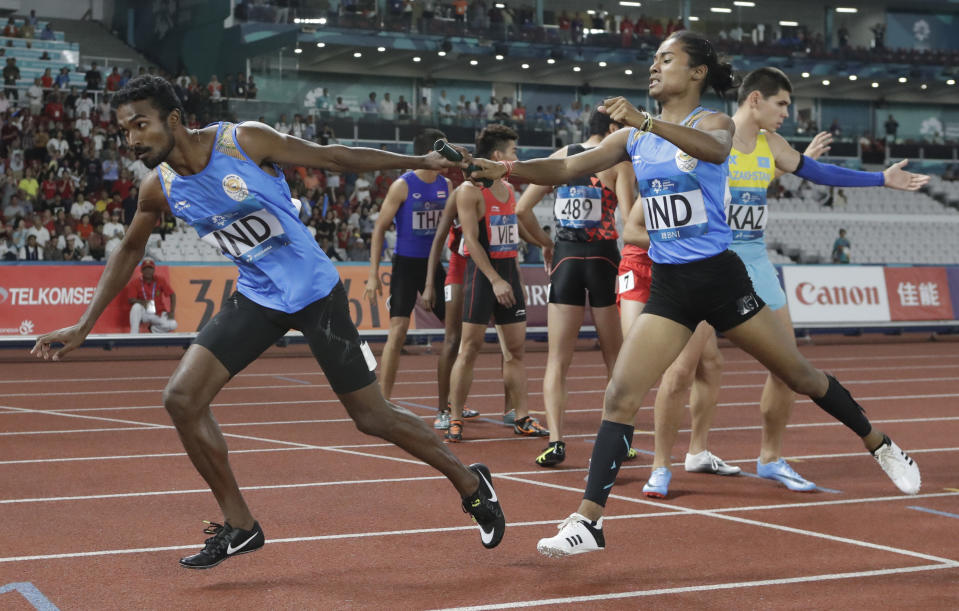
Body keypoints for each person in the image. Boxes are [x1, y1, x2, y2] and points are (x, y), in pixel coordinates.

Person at [467, 30, 921, 557]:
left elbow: (716, 148)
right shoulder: (634, 138)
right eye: (653, 60)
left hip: (722, 281)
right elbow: (568, 166)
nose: (654, 68)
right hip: (672, 288)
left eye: (667, 59)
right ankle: (588, 522)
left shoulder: (711, 122)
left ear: (698, 72)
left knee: (799, 375)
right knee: (620, 394)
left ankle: (879, 444)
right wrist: (503, 169)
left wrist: (643, 120)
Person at [31, 75, 505, 569]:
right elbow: (130, 247)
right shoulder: (160, 188)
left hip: (315, 292)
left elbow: (335, 156)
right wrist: (83, 326)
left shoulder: (243, 141)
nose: (131, 139)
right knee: (182, 398)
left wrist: (420, 162)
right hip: (259, 296)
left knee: (371, 417)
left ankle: (472, 484)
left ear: (173, 119)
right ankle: (240, 525)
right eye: (124, 130)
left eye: (140, 124)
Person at [638, 67, 929, 497]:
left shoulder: (770, 145)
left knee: (787, 366)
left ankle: (771, 458)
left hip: (755, 260)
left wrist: (880, 178)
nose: (787, 114)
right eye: (782, 104)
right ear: (755, 99)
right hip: (709, 262)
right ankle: (661, 466)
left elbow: (818, 172)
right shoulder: (710, 135)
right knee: (681, 371)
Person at [515, 109, 636, 467]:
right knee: (616, 359)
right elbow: (630, 220)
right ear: (613, 130)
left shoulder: (563, 157)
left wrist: (545, 244)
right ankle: (621, 441)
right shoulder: (619, 163)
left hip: (566, 261)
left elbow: (521, 209)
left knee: (557, 361)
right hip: (604, 261)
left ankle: (556, 441)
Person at [447, 124, 549, 442]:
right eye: (513, 152)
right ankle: (454, 417)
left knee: (515, 352)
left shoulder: (510, 190)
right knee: (469, 348)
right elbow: (473, 242)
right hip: (482, 278)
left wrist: (513, 279)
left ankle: (521, 416)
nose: (517, 157)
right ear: (497, 156)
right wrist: (494, 280)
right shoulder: (469, 192)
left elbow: (511, 237)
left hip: (509, 276)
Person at [362, 128, 467, 412]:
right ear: (430, 152)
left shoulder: (447, 185)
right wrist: (373, 275)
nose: (447, 156)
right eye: (443, 150)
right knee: (398, 331)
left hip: (434, 265)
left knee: (457, 333)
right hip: (406, 264)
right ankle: (382, 401)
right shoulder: (403, 185)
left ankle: (451, 400)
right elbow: (379, 229)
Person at [127, 257, 178, 333]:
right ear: (141, 270)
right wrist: (143, 302)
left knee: (173, 324)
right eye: (145, 269)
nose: (148, 271)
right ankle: (134, 333)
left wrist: (172, 312)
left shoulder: (160, 280)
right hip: (144, 312)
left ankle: (154, 329)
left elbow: (172, 295)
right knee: (136, 307)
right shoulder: (135, 282)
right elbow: (131, 300)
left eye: (150, 268)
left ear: (154, 270)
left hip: (158, 312)